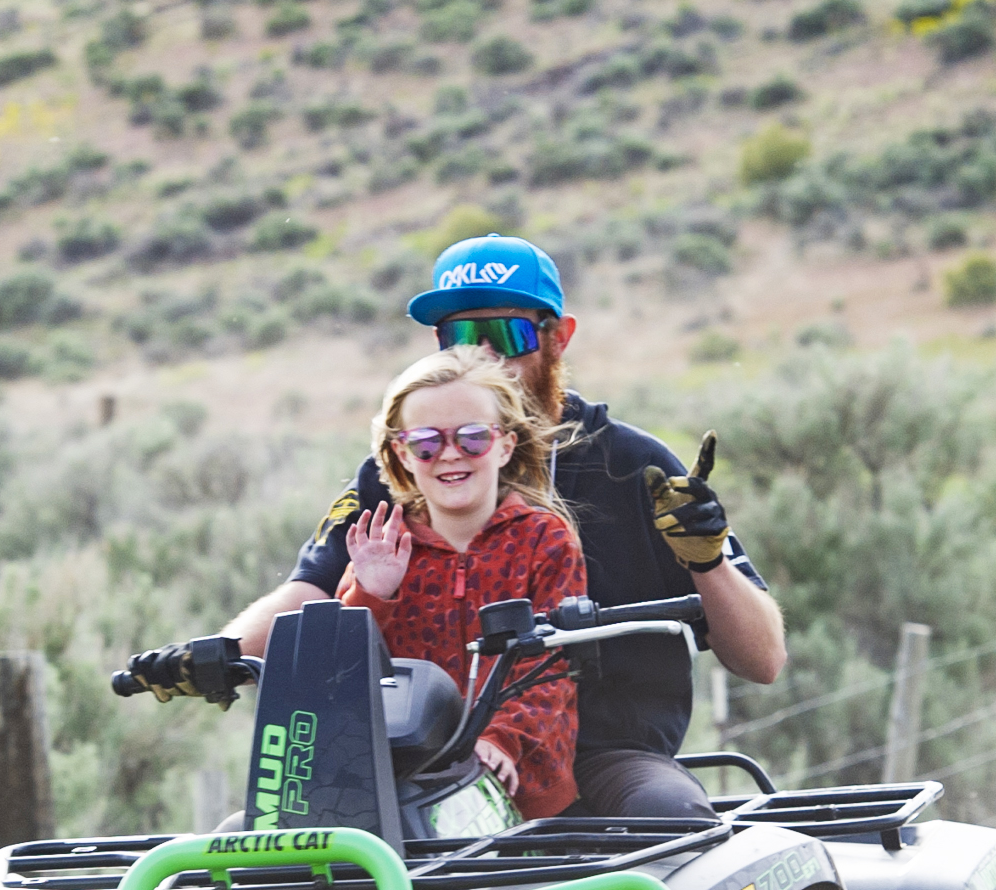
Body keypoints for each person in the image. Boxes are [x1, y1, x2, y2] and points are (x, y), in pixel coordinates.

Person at [223, 234, 784, 819]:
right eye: (460, 336)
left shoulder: (632, 467)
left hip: (601, 757)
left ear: (558, 336)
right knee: (257, 846)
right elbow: (314, 594)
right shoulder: (400, 476)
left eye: (509, 335)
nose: (485, 356)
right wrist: (218, 653)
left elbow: (762, 661)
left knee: (669, 817)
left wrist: (707, 560)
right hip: (419, 754)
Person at [337, 342, 586, 819]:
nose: (450, 456)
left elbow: (552, 670)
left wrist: (501, 742)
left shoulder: (544, 541)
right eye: (426, 444)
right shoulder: (384, 547)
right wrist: (373, 594)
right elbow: (341, 679)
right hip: (404, 790)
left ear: (506, 444)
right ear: (401, 454)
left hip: (522, 791)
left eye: (472, 438)